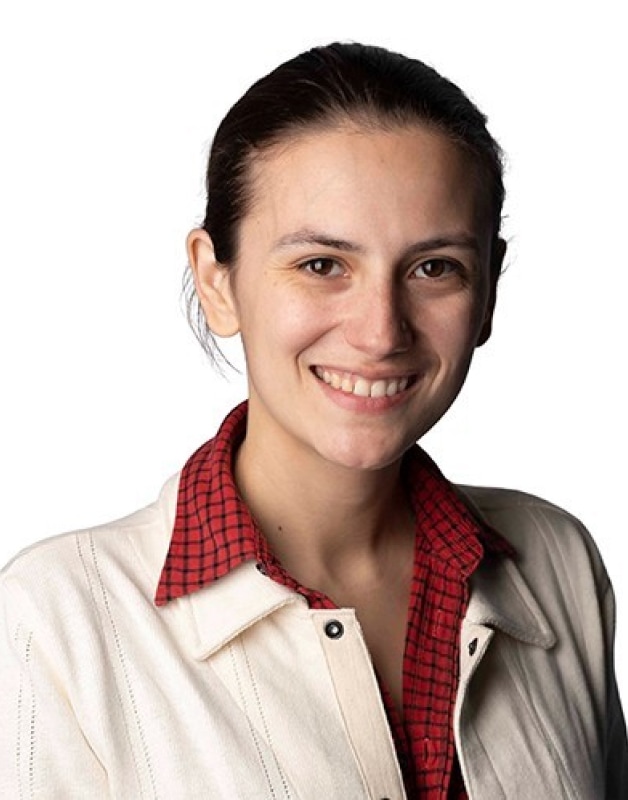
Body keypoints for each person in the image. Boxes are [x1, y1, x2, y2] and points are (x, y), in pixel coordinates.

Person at [1, 41, 626, 800]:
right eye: (322, 265)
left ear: (487, 290)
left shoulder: (557, 560)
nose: (380, 332)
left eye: (434, 267)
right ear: (217, 281)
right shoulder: (53, 623)